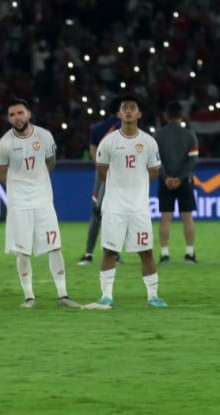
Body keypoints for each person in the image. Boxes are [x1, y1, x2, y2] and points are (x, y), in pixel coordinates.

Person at [0, 98, 80, 308]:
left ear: (29, 114)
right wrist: (20, 186)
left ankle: (63, 295)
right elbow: (1, 173)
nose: (17, 118)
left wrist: (36, 181)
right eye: (12, 114)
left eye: (20, 113)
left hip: (43, 201)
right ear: (9, 118)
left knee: (55, 247)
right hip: (19, 204)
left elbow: (51, 161)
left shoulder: (44, 136)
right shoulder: (4, 143)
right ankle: (29, 296)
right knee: (22, 251)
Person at [85, 95, 165, 309]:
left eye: (132, 108)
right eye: (124, 108)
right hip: (114, 207)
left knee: (146, 251)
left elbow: (154, 170)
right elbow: (101, 168)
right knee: (109, 251)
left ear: (139, 114)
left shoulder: (148, 141)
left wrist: (136, 183)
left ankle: (153, 296)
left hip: (138, 208)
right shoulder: (109, 141)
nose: (128, 111)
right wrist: (119, 183)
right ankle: (106, 296)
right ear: (119, 114)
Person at [154, 101, 199, 264]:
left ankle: (164, 254)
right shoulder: (189, 135)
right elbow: (192, 160)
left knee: (165, 218)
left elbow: (155, 160)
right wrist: (180, 178)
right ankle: (189, 253)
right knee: (187, 218)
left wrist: (166, 177)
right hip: (184, 181)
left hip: (165, 182)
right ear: (181, 115)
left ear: (166, 116)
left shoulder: (158, 135)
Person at [78, 98, 121, 265]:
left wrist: (102, 168)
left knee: (96, 212)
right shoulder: (124, 128)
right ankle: (114, 253)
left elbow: (93, 151)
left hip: (101, 174)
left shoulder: (97, 128)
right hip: (119, 174)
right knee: (115, 214)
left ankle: (88, 253)